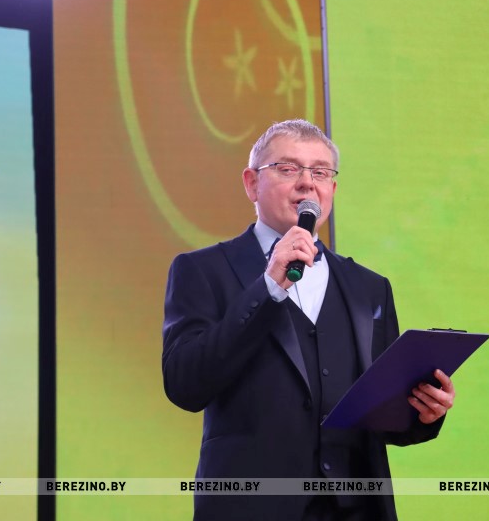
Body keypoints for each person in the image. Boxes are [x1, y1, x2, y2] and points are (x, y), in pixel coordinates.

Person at [162, 119, 456, 520]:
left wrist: (423, 412)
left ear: (332, 188)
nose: (306, 183)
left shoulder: (369, 287)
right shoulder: (203, 270)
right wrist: (267, 288)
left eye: (320, 172)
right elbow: (184, 384)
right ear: (251, 183)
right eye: (288, 169)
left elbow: (384, 414)